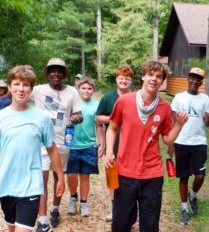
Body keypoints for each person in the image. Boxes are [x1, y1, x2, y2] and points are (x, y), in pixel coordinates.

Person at [0, 65, 65, 232]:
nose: (21, 89)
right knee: (11, 227)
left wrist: (60, 177)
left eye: (26, 85)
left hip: (31, 185)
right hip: (6, 185)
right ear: (9, 87)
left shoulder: (42, 118)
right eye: (17, 84)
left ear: (31, 89)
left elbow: (52, 149)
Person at [104, 60, 189, 231]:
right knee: (120, 224)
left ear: (162, 81)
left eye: (158, 76)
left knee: (150, 226)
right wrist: (108, 152)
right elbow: (112, 128)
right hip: (125, 172)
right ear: (143, 77)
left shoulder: (165, 108)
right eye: (150, 74)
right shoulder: (124, 101)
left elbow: (167, 140)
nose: (154, 79)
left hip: (152, 174)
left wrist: (179, 125)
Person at [31, 58, 83, 231]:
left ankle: (54, 209)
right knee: (41, 179)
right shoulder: (37, 90)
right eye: (52, 70)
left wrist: (76, 118)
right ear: (47, 73)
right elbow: (17, 94)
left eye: (59, 70)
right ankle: (43, 220)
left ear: (63, 73)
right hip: (41, 142)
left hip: (62, 141)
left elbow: (79, 114)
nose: (56, 73)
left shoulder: (72, 92)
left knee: (58, 177)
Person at [168, 67, 209, 225]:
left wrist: (208, 119)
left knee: (200, 175)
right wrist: (171, 143)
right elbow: (172, 121)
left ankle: (193, 194)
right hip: (181, 141)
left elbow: (207, 123)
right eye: (192, 78)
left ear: (201, 82)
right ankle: (184, 208)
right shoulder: (179, 97)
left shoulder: (205, 99)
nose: (194, 81)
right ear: (188, 79)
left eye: (198, 79)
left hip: (199, 142)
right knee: (184, 176)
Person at [95, 65, 134, 222]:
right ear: (116, 79)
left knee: (131, 181)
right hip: (114, 146)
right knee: (113, 179)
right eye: (121, 78)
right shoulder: (108, 98)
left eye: (127, 78)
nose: (124, 81)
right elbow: (98, 118)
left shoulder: (137, 97)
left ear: (131, 81)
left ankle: (130, 212)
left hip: (132, 146)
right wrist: (115, 120)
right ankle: (115, 210)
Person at [66, 77, 105, 217]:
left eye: (89, 88)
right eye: (83, 88)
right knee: (70, 175)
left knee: (85, 176)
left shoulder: (96, 105)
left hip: (89, 145)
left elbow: (99, 126)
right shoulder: (71, 103)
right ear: (78, 89)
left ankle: (83, 203)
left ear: (93, 90)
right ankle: (72, 197)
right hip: (71, 145)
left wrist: (102, 144)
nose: (86, 91)